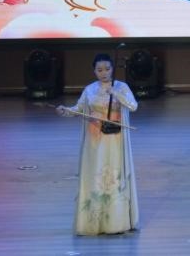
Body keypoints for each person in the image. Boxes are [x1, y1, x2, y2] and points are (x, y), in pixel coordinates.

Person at [56, 53, 139, 236]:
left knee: (113, 175)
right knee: (96, 175)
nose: (104, 73)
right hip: (95, 141)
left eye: (107, 69)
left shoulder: (121, 87)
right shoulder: (90, 90)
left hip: (114, 140)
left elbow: (133, 106)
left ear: (112, 69)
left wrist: (116, 93)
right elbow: (79, 109)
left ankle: (116, 222)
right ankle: (94, 222)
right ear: (94, 71)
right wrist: (66, 111)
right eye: (99, 70)